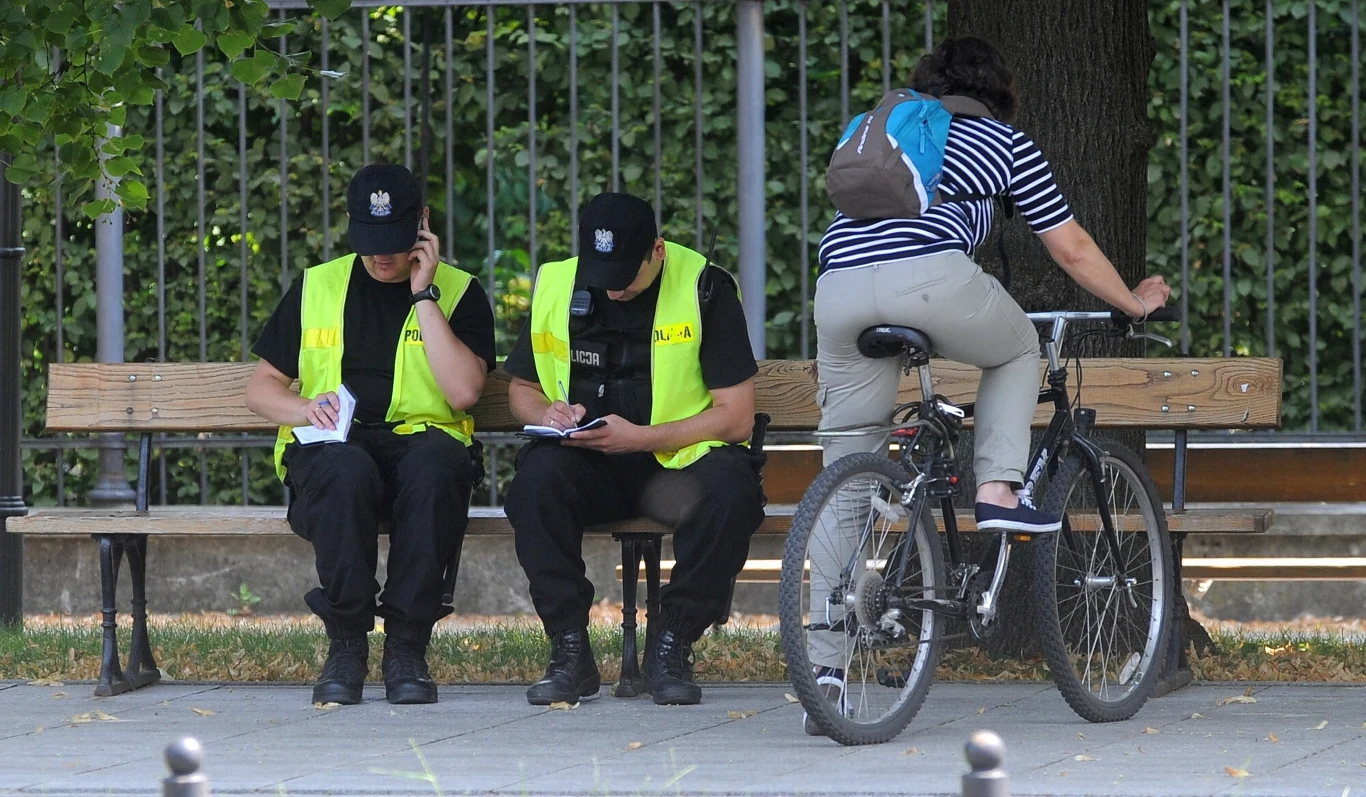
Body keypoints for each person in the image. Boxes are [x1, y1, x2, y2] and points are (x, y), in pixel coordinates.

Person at [807, 38, 1171, 730]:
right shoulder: (1001, 141)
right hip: (928, 278)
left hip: (837, 286)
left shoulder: (888, 131)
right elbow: (1070, 246)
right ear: (1001, 92)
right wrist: (1130, 300)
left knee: (846, 475)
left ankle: (825, 669)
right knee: (1015, 350)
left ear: (927, 86)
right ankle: (998, 488)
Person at [245, 163, 496, 706]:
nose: (381, 256)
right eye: (369, 242)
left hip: (423, 443)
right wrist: (304, 406)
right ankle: (347, 643)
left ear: (424, 224)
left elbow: (463, 395)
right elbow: (261, 388)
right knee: (345, 470)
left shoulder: (460, 292)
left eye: (395, 241)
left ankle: (407, 646)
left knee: (435, 468)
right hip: (336, 444)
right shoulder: (317, 286)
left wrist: (423, 295)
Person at [501, 192, 765, 707]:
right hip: (591, 462)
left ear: (658, 251)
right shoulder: (559, 283)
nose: (615, 289)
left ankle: (672, 643)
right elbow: (521, 391)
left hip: (676, 468)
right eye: (603, 274)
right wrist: (548, 415)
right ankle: (569, 650)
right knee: (535, 484)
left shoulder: (705, 287)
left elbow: (735, 417)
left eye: (627, 274)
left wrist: (640, 437)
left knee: (733, 490)